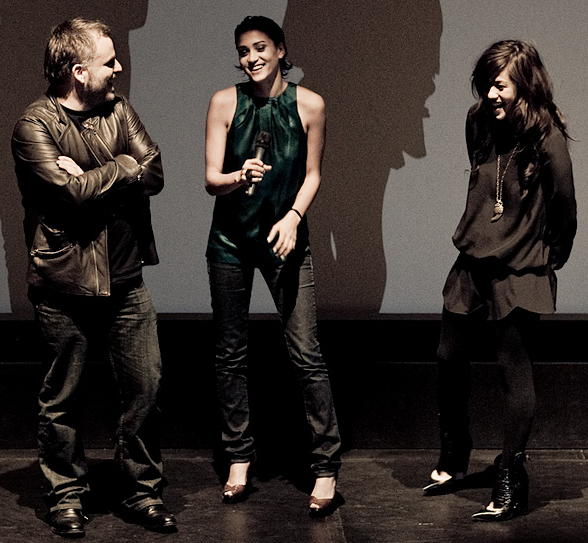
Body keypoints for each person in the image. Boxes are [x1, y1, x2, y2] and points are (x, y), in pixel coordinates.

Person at [11, 18, 176, 537]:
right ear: (79, 72)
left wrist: (96, 173)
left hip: (126, 280)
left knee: (144, 388)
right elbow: (69, 195)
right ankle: (66, 495)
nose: (119, 68)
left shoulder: (119, 109)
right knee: (64, 397)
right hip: (64, 286)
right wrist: (119, 167)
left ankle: (143, 493)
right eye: (109, 61)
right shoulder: (33, 126)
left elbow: (154, 172)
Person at [423, 40, 577, 521]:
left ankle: (511, 476)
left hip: (518, 268)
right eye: (486, 83)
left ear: (525, 84)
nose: (490, 93)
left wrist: (548, 255)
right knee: (448, 356)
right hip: (472, 260)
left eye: (500, 84)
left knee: (514, 371)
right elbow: (482, 177)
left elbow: (565, 207)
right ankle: (455, 449)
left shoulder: (547, 137)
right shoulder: (478, 123)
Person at [204, 15, 342, 516]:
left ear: (282, 50)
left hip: (286, 240)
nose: (251, 57)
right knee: (230, 353)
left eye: (261, 47)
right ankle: (239, 458)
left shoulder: (310, 104)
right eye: (243, 51)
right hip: (230, 243)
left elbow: (313, 174)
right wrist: (240, 175)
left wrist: (293, 218)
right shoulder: (225, 102)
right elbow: (210, 180)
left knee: (305, 352)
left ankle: (325, 466)